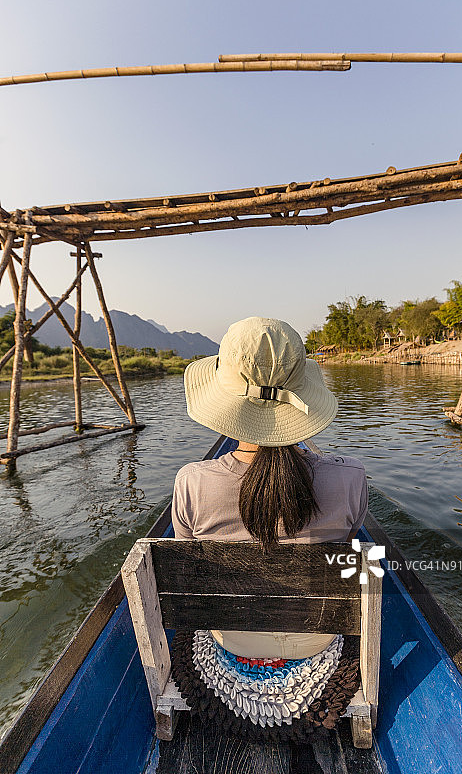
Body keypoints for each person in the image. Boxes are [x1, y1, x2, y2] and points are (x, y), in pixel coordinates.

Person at [170, 316, 368, 739]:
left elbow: (188, 571)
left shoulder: (192, 482)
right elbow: (347, 558)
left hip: (229, 645)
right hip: (318, 644)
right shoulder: (351, 478)